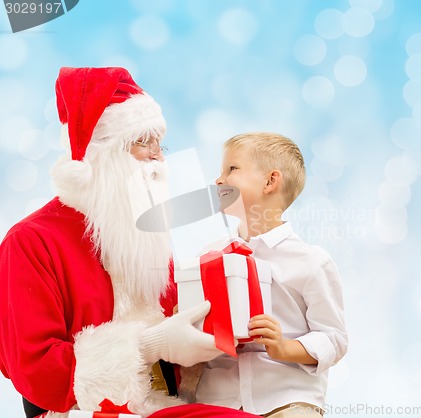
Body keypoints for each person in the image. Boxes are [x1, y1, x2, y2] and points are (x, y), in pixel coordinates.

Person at [0, 67, 259, 418]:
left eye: (159, 143)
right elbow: (35, 373)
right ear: (101, 153)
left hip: (174, 403)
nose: (159, 157)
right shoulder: (31, 242)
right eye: (142, 142)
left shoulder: (153, 238)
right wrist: (149, 345)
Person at [193, 132, 348, 417]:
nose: (219, 180)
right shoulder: (209, 256)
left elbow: (334, 338)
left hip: (285, 401)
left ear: (270, 181)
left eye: (232, 169)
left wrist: (284, 348)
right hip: (218, 401)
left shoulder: (311, 261)